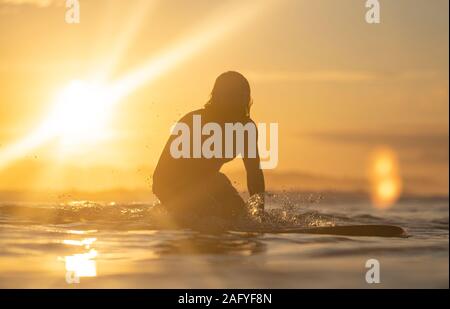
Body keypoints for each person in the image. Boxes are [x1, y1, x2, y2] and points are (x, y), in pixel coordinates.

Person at [152, 71, 265, 221]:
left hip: (207, 180)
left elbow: (254, 173)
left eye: (242, 96)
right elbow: (164, 176)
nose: (238, 102)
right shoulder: (195, 122)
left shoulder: (246, 129)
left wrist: (259, 213)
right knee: (214, 215)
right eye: (232, 96)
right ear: (218, 97)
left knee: (241, 216)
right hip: (169, 183)